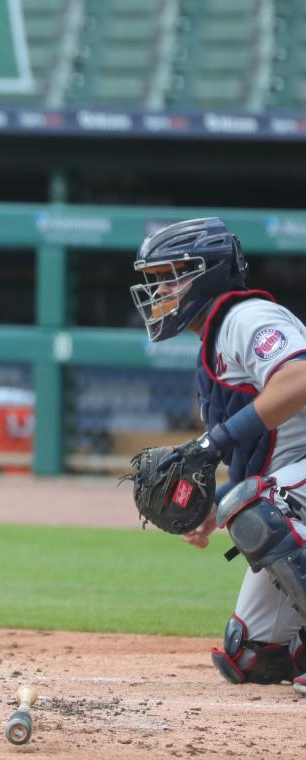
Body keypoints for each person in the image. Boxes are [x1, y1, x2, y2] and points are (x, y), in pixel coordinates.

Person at [130, 217, 306, 693]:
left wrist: (213, 444)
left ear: (204, 274)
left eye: (169, 277)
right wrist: (215, 502)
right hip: (296, 481)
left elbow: (299, 378)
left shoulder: (247, 319)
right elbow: (266, 454)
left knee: (254, 509)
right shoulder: (214, 338)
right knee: (251, 656)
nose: (160, 291)